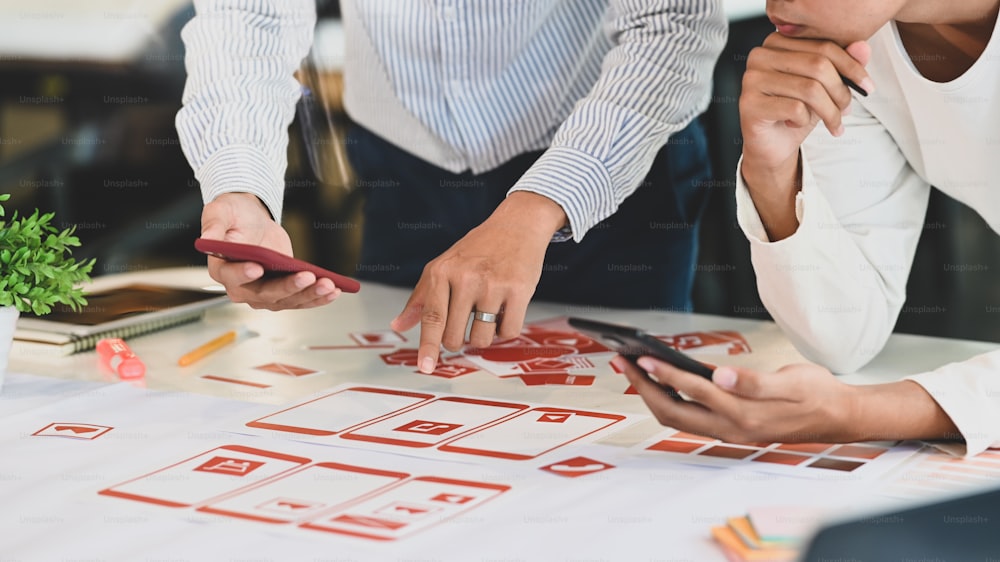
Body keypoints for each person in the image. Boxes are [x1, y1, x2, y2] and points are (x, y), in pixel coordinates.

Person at [175, 0, 728, 374]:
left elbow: (672, 25)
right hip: (406, 161)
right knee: (410, 404)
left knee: (621, 415)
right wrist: (239, 187)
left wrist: (540, 206)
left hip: (607, 154)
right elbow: (248, 17)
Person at [617, 0, 1000, 456]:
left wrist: (863, 413)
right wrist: (772, 166)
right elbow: (842, 337)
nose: (773, 5)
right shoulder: (854, 47)